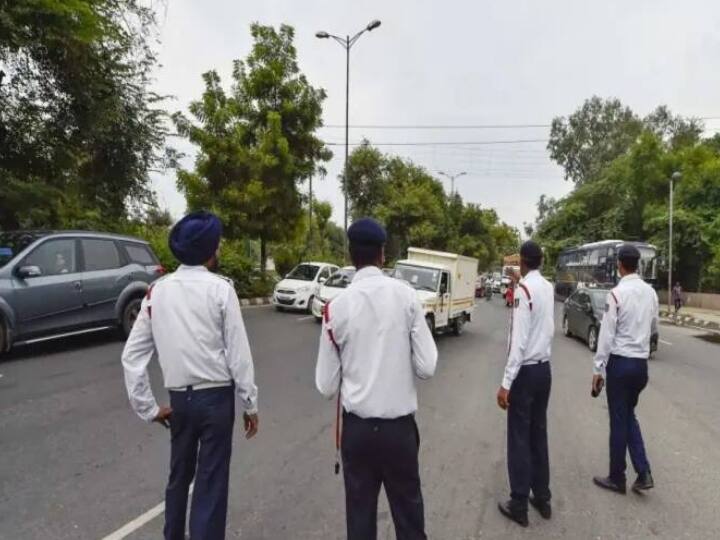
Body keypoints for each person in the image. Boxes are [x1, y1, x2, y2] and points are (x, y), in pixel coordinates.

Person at [121, 211, 259, 540]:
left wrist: (150, 408)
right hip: (215, 401)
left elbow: (132, 356)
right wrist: (250, 404)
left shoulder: (157, 292)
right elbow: (238, 355)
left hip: (180, 400)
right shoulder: (221, 290)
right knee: (210, 483)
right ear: (210, 251)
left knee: (179, 476)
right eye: (218, 245)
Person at [315, 217, 438, 540]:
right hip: (398, 432)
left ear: (351, 255)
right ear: (382, 254)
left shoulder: (335, 308)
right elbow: (427, 366)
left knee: (359, 519)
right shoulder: (407, 297)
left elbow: (326, 386)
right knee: (409, 518)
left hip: (357, 433)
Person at [496, 241, 555, 527]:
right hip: (544, 371)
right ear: (540, 261)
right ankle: (542, 496)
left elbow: (518, 343)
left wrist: (506, 383)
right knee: (538, 434)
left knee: (519, 437)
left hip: (525, 374)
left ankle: (519, 501)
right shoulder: (547, 287)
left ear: (522, 261)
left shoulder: (523, 291)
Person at [592, 244, 658, 495]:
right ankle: (644, 472)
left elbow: (606, 336)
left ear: (619, 265)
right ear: (638, 264)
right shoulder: (650, 293)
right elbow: (653, 326)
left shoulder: (617, 294)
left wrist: (598, 369)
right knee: (628, 415)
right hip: (640, 366)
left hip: (620, 364)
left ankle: (617, 477)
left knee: (619, 421)